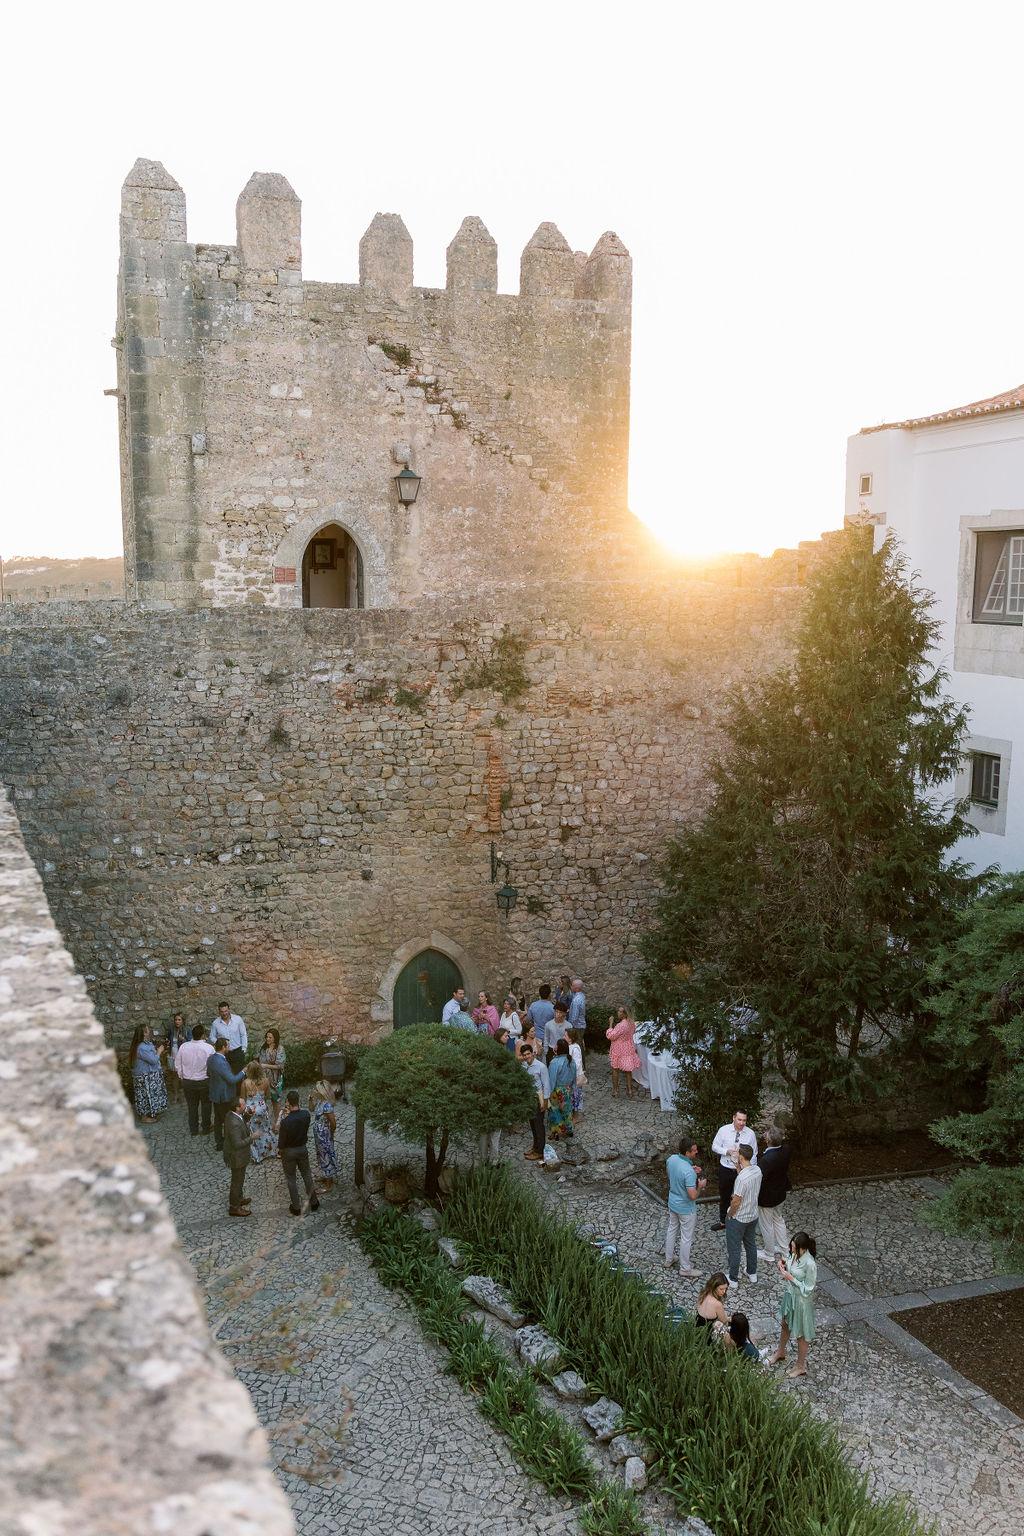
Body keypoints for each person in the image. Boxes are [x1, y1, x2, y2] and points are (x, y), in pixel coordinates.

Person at [769, 1232, 818, 1378]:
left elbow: (808, 1289)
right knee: (785, 1324)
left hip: (801, 1302)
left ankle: (800, 1366)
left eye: (794, 1247)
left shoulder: (810, 1264)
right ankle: (781, 1351)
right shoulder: (794, 1254)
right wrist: (782, 1263)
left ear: (802, 1248)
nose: (791, 1249)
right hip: (790, 1296)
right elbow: (789, 1261)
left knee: (801, 1333)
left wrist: (791, 1278)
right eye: (791, 1246)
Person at [665, 1133, 706, 1278]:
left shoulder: (671, 1159)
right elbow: (693, 1196)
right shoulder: (688, 1172)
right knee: (686, 1238)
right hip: (686, 1208)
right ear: (687, 1152)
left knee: (671, 1229)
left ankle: (669, 1259)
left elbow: (674, 1174)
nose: (696, 1152)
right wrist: (700, 1186)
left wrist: (690, 1168)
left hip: (672, 1202)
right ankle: (685, 1268)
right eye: (694, 1150)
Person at [710, 1111, 759, 1230]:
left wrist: (749, 1170)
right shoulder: (723, 1130)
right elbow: (714, 1146)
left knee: (741, 1196)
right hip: (726, 1168)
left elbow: (754, 1153)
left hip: (742, 1171)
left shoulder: (750, 1134)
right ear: (734, 1118)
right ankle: (723, 1221)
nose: (742, 1123)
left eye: (744, 1120)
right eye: (739, 1120)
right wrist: (726, 1151)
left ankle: (739, 1220)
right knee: (724, 1195)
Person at [277, 1089, 321, 1215]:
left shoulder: (285, 1122)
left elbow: (281, 1142)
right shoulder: (306, 1115)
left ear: (288, 1103)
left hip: (289, 1151)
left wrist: (280, 1152)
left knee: (291, 1178)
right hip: (302, 1148)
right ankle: (314, 1202)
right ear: (298, 1101)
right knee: (307, 1175)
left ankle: (296, 1207)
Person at [725, 1141, 762, 1291]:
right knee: (751, 1244)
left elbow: (736, 1201)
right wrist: (737, 1167)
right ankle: (752, 1272)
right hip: (753, 1215)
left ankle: (733, 1278)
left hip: (739, 1218)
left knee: (734, 1249)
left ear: (741, 1157)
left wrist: (730, 1214)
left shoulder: (741, 1179)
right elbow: (745, 1177)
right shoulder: (757, 1170)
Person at [757, 1126, 792, 1262]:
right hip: (780, 1192)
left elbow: (759, 1178)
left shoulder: (766, 1160)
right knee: (779, 1220)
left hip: (767, 1197)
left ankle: (769, 1253)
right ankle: (785, 1250)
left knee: (766, 1225)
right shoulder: (786, 1150)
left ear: (768, 1140)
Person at [207, 1037, 246, 1151]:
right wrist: (243, 1071)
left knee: (217, 1120)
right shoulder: (221, 1062)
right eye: (228, 1045)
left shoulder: (211, 1058)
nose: (230, 1047)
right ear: (223, 1047)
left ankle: (219, 1142)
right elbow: (232, 1080)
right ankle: (227, 1142)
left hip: (215, 1094)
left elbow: (208, 1073)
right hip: (224, 1096)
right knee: (226, 1119)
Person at [176, 1022, 214, 1136]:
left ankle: (194, 1129)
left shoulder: (184, 1046)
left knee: (192, 1106)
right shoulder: (209, 1048)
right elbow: (213, 1065)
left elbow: (178, 1064)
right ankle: (206, 1128)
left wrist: (182, 1076)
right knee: (206, 1105)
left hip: (188, 1081)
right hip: (204, 1081)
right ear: (203, 1035)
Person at [241, 1063, 278, 1164]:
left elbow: (243, 1098)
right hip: (262, 1107)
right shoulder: (266, 1081)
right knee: (265, 1129)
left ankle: (256, 1155)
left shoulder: (245, 1083)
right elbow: (268, 1096)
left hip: (250, 1110)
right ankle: (269, 1151)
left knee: (252, 1131)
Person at [129, 1025, 167, 1123]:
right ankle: (144, 1117)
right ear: (144, 1034)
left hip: (148, 1074)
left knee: (148, 1095)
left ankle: (150, 1112)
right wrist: (159, 1051)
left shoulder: (146, 1044)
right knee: (143, 1096)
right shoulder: (142, 1047)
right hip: (144, 1076)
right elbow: (153, 1060)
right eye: (147, 1030)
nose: (149, 1031)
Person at [223, 1095, 252, 1217]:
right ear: (237, 1107)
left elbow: (242, 1121)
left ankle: (239, 1199)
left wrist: (248, 1115)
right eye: (243, 1104)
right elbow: (237, 1144)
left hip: (239, 1156)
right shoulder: (234, 1123)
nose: (246, 1105)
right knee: (237, 1182)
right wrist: (252, 1137)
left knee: (240, 1179)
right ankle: (234, 1207)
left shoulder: (232, 1115)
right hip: (236, 1157)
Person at [520, 1043, 550, 1162]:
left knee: (538, 1125)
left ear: (532, 1053)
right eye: (524, 1055)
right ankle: (535, 1146)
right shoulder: (524, 1066)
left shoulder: (541, 1067)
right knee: (532, 1124)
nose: (527, 1056)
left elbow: (546, 1085)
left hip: (539, 1098)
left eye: (528, 1054)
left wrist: (545, 1102)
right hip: (529, 1098)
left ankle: (540, 1151)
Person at [310, 1080, 339, 1189]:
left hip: (324, 1136)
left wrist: (330, 1134)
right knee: (321, 1156)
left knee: (326, 1156)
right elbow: (311, 1109)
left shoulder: (327, 1105)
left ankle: (328, 1184)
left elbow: (333, 1123)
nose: (314, 1090)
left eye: (316, 1089)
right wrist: (310, 1099)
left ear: (322, 1091)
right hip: (319, 1135)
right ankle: (326, 1176)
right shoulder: (319, 1102)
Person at [606, 1007, 640, 1097]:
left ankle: (615, 1091)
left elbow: (611, 1036)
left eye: (620, 1011)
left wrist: (610, 1024)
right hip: (628, 1047)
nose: (618, 1012)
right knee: (628, 1070)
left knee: (615, 1069)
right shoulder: (631, 1023)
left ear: (625, 1014)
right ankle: (630, 1091)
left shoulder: (620, 1025)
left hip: (618, 1049)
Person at [546, 1038, 576, 1141]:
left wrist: (549, 1093)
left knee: (555, 1111)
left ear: (558, 1048)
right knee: (567, 1110)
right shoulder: (571, 1060)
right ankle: (569, 1129)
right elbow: (574, 1077)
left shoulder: (555, 1062)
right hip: (568, 1089)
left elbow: (552, 1079)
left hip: (557, 1090)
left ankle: (556, 1132)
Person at [209, 1001, 248, 1075]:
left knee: (239, 1074)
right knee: (225, 1075)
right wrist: (220, 1044)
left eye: (226, 1011)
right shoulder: (215, 1023)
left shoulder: (238, 1019)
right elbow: (212, 1037)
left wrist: (244, 1049)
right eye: (222, 1011)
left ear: (229, 1010)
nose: (224, 1013)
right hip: (224, 1053)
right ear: (219, 1012)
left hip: (237, 1052)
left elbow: (243, 1034)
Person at [695, 1273, 730, 1340]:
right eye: (721, 1289)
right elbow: (724, 1320)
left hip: (696, 1328)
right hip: (706, 1335)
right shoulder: (717, 1304)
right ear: (714, 1287)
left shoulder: (703, 1293)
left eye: (725, 1289)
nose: (724, 1291)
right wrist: (730, 1318)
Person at [164, 1013, 189, 1102]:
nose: (177, 1022)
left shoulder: (187, 1030)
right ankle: (176, 1095)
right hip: (173, 1054)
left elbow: (191, 1043)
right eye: (176, 1020)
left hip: (182, 1055)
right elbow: (167, 1039)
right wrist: (167, 1042)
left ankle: (185, 1095)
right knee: (174, 1076)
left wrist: (183, 1040)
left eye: (179, 1020)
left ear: (183, 1021)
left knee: (183, 1076)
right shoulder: (172, 1029)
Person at [258, 1027, 286, 1103]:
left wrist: (266, 1066)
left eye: (270, 1037)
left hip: (276, 1078)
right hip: (265, 1077)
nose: (267, 1039)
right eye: (267, 1037)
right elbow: (261, 1063)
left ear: (275, 1038)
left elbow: (280, 1066)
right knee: (262, 1100)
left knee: (276, 1101)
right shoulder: (264, 1048)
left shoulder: (280, 1049)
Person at [567, 1028, 586, 1115]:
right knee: (572, 1095)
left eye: (565, 1035)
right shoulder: (570, 1046)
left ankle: (576, 1115)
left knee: (576, 1095)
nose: (563, 1037)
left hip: (575, 1077)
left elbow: (577, 1064)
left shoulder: (575, 1048)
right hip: (571, 1076)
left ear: (570, 1038)